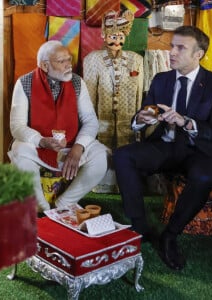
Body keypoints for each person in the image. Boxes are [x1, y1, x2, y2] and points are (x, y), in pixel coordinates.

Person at [113, 26, 212, 270]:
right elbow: (145, 111)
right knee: (123, 156)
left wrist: (185, 121)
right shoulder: (161, 79)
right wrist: (142, 118)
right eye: (172, 46)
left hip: (200, 149)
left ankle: (170, 235)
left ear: (198, 54)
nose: (172, 52)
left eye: (181, 47)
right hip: (165, 146)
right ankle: (140, 226)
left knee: (206, 174)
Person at [8, 40, 108, 212]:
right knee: (19, 152)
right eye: (62, 61)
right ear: (45, 66)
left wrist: (78, 148)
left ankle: (64, 204)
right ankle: (43, 209)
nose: (68, 65)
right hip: (38, 147)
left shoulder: (77, 82)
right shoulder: (24, 83)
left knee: (100, 156)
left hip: (69, 146)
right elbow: (16, 126)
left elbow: (90, 120)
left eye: (69, 60)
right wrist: (41, 141)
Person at [83, 10, 143, 193]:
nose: (116, 41)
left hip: (127, 118)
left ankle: (124, 186)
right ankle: (102, 185)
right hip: (102, 118)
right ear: (103, 36)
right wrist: (89, 120)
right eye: (112, 36)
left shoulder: (136, 59)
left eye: (120, 36)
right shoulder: (92, 59)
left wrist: (138, 119)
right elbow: (89, 93)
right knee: (103, 150)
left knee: (126, 150)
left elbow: (139, 92)